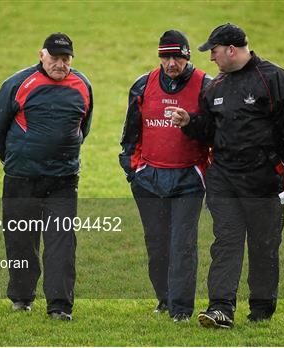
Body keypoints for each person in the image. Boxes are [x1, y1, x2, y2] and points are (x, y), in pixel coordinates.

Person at [170, 23, 284, 328]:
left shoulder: (273, 78)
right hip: (224, 180)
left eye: (214, 52)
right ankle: (220, 309)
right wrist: (189, 122)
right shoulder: (216, 86)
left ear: (231, 50)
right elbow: (208, 131)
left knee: (263, 245)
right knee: (226, 241)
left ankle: (261, 309)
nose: (211, 59)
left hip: (264, 182)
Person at [0, 32, 93, 321]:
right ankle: (22, 298)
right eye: (55, 58)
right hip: (22, 179)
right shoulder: (18, 84)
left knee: (62, 242)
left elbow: (83, 126)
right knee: (21, 240)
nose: (60, 64)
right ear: (41, 55)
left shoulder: (82, 85)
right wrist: (15, 160)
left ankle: (60, 306)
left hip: (63, 180)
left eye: (66, 58)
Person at [119, 30, 212, 323]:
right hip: (149, 180)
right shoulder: (143, 85)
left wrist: (191, 123)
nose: (172, 63)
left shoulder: (205, 86)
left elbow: (215, 134)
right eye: (166, 57)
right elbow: (130, 134)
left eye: (178, 57)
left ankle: (181, 310)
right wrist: (133, 170)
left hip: (188, 179)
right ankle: (164, 299)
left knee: (182, 244)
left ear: (188, 57)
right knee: (157, 244)